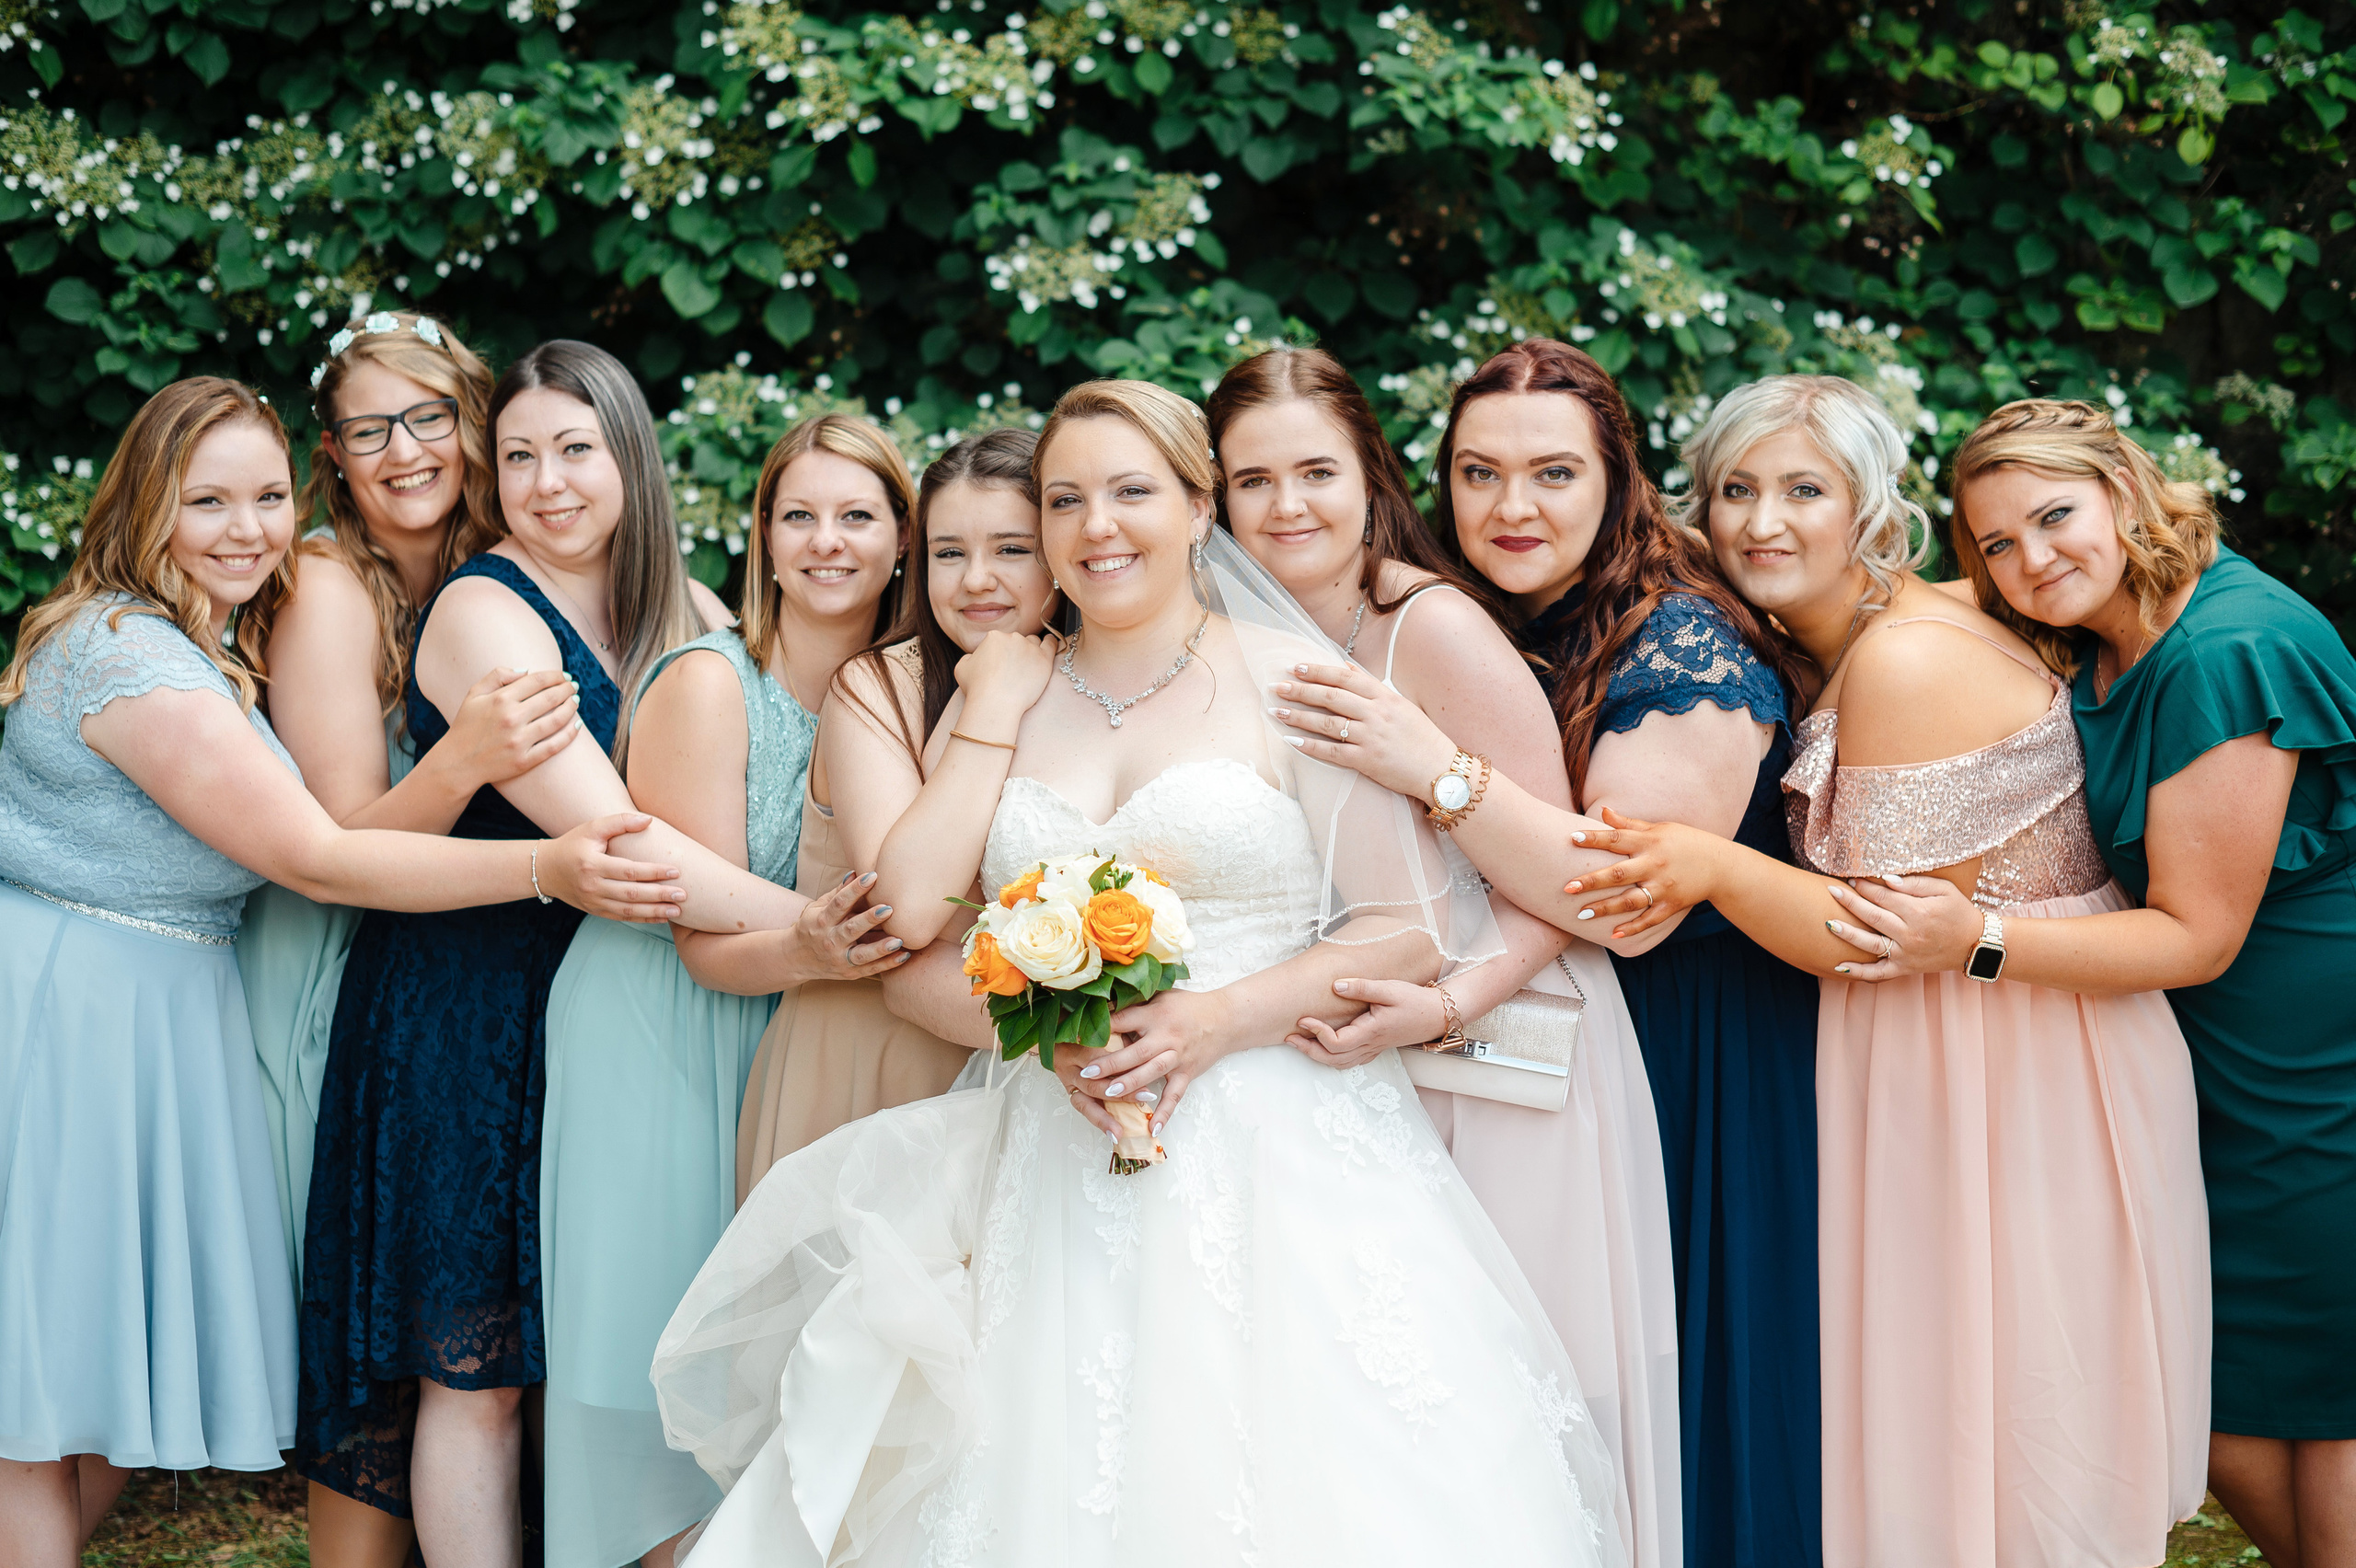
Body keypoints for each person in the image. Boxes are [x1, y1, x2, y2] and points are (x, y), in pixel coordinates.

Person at [651, 379, 1628, 1567]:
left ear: (1198, 506)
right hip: (1052, 1151)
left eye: (1130, 493)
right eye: (1066, 499)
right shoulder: (1004, 694)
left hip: (1278, 1141)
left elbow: (1402, 928)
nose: (1096, 526)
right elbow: (921, 922)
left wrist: (1218, 1019)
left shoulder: (1293, 679)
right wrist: (1042, 1016)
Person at [0, 376, 678, 1567]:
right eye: (206, 500)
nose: (247, 527)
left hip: (149, 1014)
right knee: (32, 1405)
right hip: (68, 1016)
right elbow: (322, 855)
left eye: (268, 496)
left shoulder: (200, 643)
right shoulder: (132, 656)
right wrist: (546, 868)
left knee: (87, 1383)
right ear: (143, 500)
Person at [1534, 376, 2211, 1568]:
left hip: (2006, 1064)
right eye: (1737, 490)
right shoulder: (1857, 631)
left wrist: (1708, 864)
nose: (1763, 522)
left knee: (2007, 1430)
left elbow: (1874, 935)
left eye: (1807, 490)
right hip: (1957, 1047)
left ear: (1871, 506)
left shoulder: (1901, 660)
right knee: (1947, 1412)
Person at [294, 341, 874, 1568]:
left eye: (576, 450)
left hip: (626, 998)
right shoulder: (484, 611)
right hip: (467, 1004)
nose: (548, 482)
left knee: (600, 1345)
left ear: (632, 459)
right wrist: (822, 941)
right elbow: (624, 843)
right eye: (517, 456)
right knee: (478, 1367)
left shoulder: (694, 613)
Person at [1273, 340, 1821, 1566]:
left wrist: (1435, 769)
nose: (1512, 508)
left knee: (1670, 1392)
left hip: (1695, 1051)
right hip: (1560, 1051)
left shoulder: (1684, 647)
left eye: (1553, 474)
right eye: (1480, 473)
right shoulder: (1486, 618)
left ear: (1620, 480)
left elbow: (1623, 900)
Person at [1811, 397, 2354, 1568]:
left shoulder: (2228, 647)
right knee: (2230, 1400)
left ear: (2123, 490)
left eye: (2054, 517)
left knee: (2327, 1390)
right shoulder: (2099, 620)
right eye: (1995, 542)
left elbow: (2196, 936)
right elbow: (1884, 595)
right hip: (2201, 1051)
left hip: (2308, 1064)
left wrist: (1973, 938)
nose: (2029, 558)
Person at [1204, 344, 1681, 1568]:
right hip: (1357, 1058)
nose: (1287, 505)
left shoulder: (1433, 626)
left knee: (1528, 1403)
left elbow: (1574, 882)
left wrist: (1454, 999)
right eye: (1252, 478)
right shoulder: (1213, 631)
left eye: (1317, 470)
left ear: (1371, 474)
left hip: (1510, 1042)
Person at [539, 410, 913, 1568]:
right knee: (656, 1342)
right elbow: (683, 910)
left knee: (788, 1340)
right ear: (759, 537)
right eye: (796, 517)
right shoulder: (710, 683)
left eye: (856, 516)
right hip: (663, 1020)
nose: (825, 542)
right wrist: (819, 942)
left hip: (808, 1026)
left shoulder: (913, 690)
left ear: (903, 533)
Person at [238, 312, 574, 1335]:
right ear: (333, 455)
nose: (406, 452)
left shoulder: (506, 565)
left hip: (462, 951)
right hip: (339, 952)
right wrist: (463, 756)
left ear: (471, 421)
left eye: (427, 417)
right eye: (370, 430)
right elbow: (340, 841)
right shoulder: (329, 587)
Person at [733, 427, 1053, 1197]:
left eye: (1012, 549)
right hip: (870, 1068)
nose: (977, 580)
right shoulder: (874, 687)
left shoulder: (1091, 678)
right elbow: (906, 911)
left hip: (1031, 1087)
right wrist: (993, 699)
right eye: (949, 553)